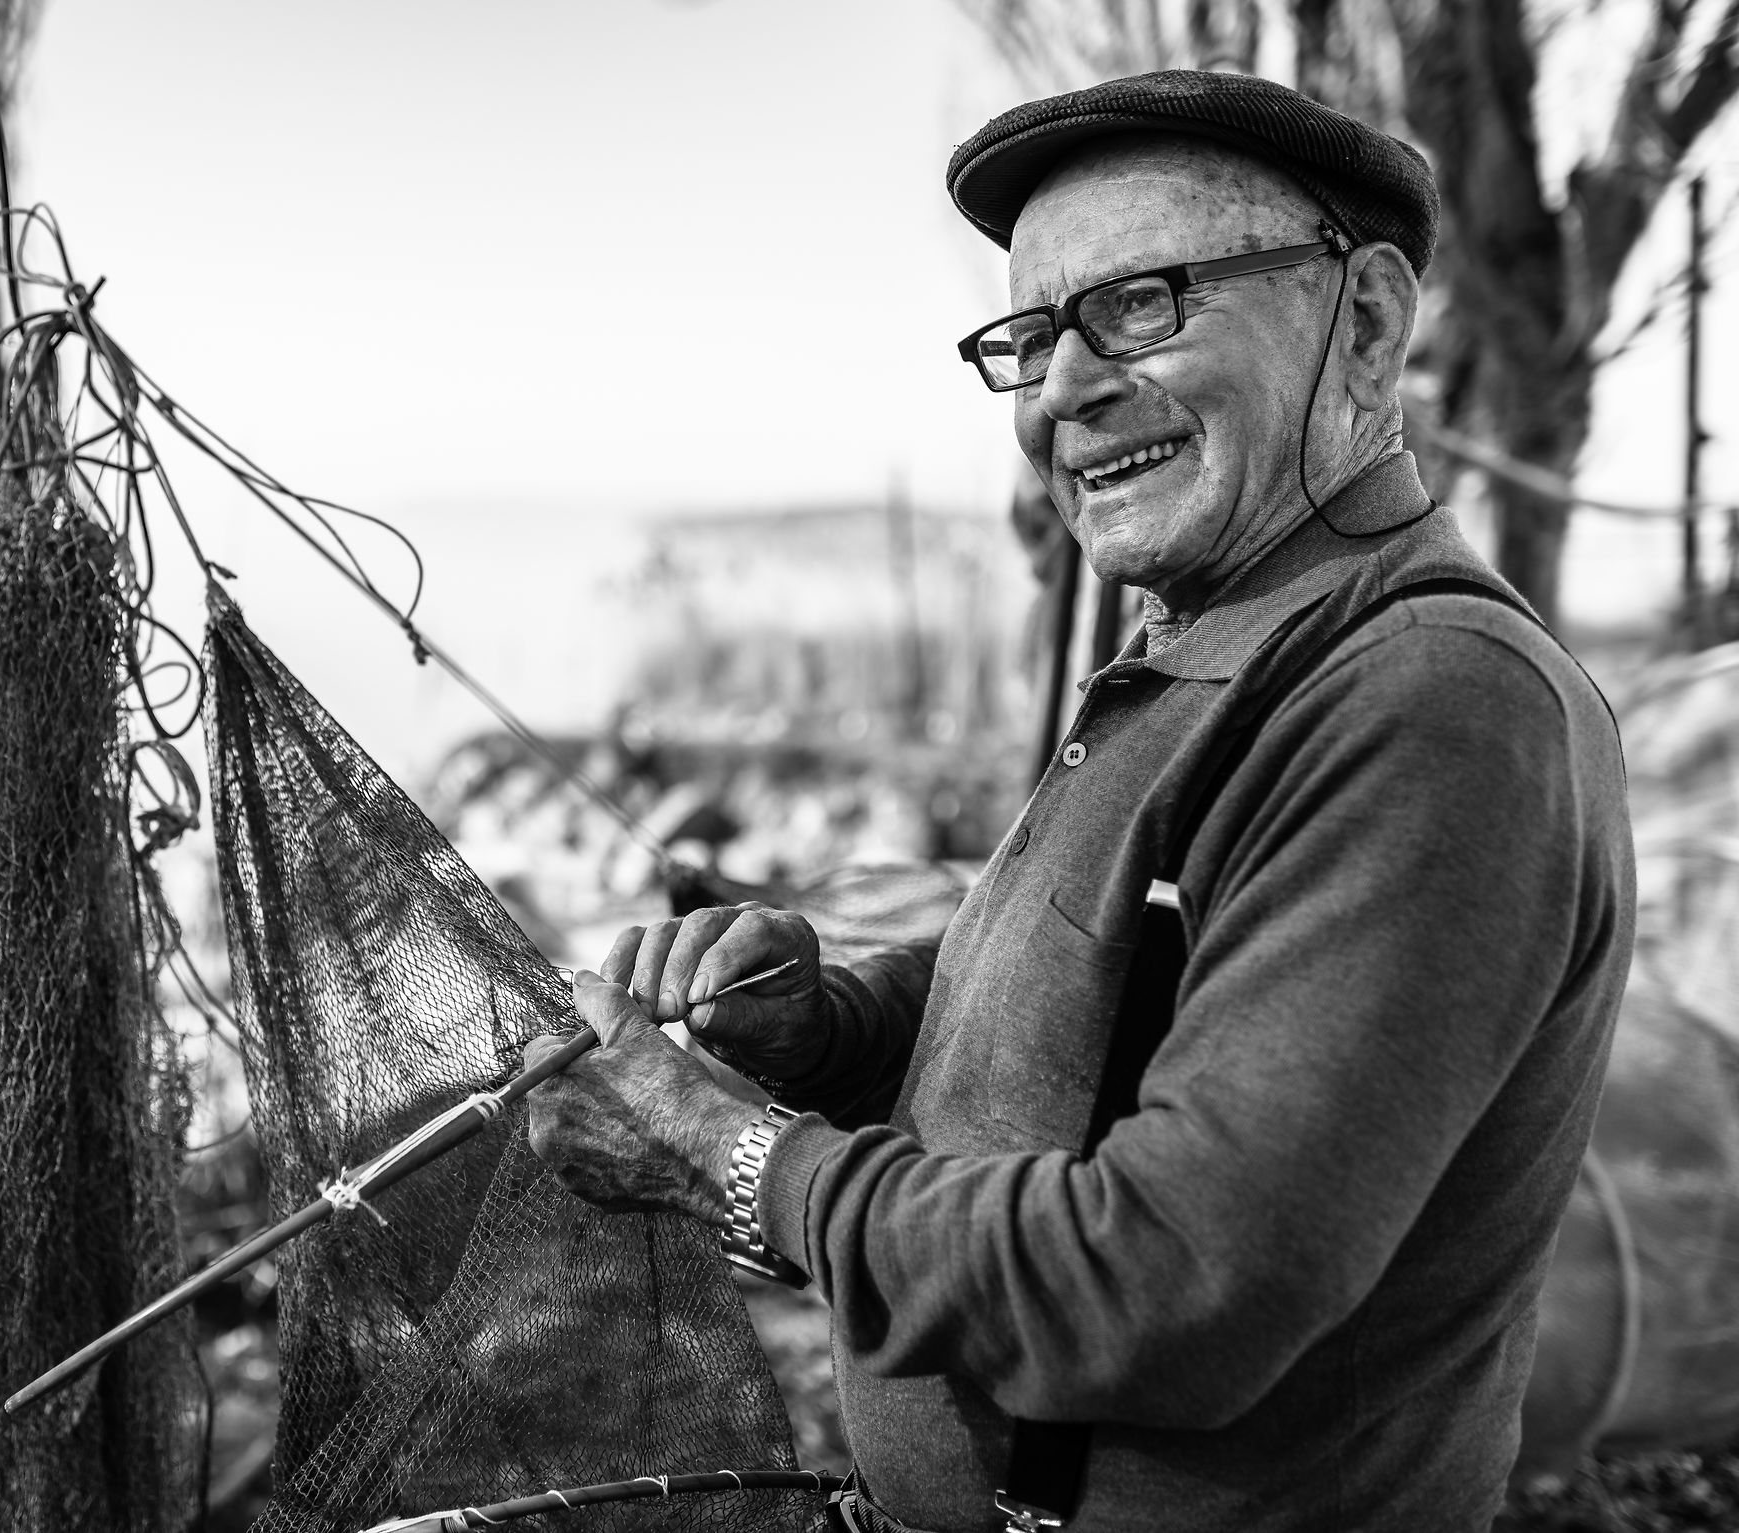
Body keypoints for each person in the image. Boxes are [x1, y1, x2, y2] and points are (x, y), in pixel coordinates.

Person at [525, 70, 1635, 1533]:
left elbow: (1178, 1276)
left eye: (1142, 304)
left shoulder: (1430, 704)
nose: (1063, 389)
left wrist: (733, 1161)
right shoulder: (1204, 644)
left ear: (1364, 322)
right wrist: (831, 1037)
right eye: (1034, 334)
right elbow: (1114, 1031)